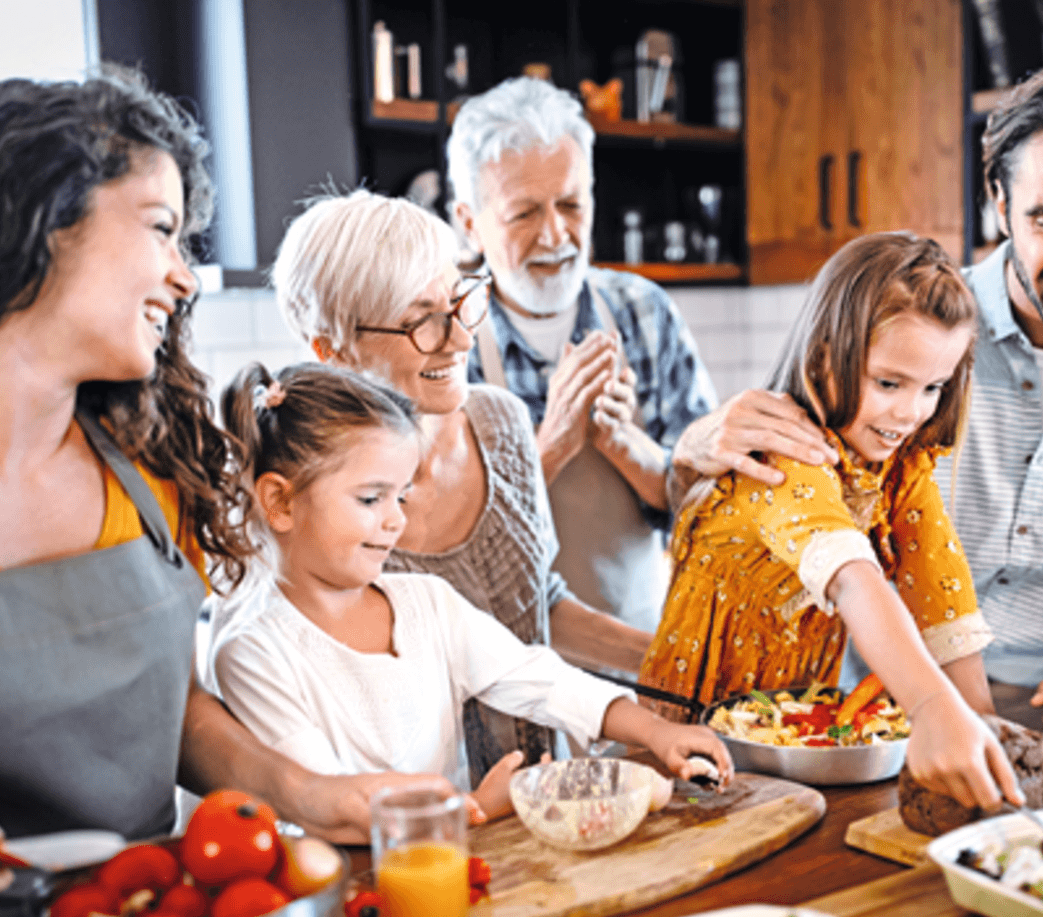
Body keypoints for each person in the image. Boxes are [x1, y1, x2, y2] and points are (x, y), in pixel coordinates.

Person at [0, 70, 443, 917]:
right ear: (36, 218)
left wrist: (313, 793)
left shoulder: (150, 470)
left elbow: (162, 708)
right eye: (160, 228)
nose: (185, 275)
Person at [673, 57, 1043, 729]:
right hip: (873, 719)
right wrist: (696, 445)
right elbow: (743, 505)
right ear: (1000, 201)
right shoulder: (901, 327)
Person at [209, 362, 733, 820]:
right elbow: (330, 804)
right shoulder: (253, 652)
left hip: (451, 864)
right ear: (279, 502)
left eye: (401, 496)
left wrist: (656, 733)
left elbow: (538, 677)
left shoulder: (426, 603)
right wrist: (477, 807)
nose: (395, 520)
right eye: (371, 499)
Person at [266, 190, 654, 781]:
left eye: (460, 303)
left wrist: (666, 663)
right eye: (422, 320)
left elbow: (535, 608)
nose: (461, 339)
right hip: (423, 822)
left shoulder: (501, 424)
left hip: (548, 796)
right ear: (332, 350)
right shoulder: (311, 505)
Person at [641, 232, 1025, 812]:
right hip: (681, 738)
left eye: (933, 387)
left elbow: (942, 592)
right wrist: (931, 708)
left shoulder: (902, 463)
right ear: (825, 356)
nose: (911, 412)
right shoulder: (783, 449)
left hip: (796, 740)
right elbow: (851, 576)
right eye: (889, 383)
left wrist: (984, 721)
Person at [448, 76, 718, 635]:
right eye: (523, 214)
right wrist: (553, 443)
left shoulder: (644, 313)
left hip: (644, 651)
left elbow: (712, 508)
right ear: (470, 223)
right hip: (509, 664)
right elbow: (445, 540)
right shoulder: (448, 338)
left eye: (571, 204)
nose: (556, 234)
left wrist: (628, 448)